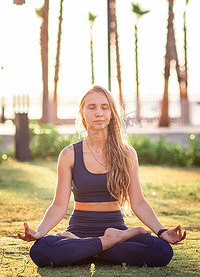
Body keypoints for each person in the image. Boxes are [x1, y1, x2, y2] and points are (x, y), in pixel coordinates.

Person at [18, 85, 186, 267]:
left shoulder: (127, 154)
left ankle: (87, 250)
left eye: (104, 107)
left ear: (112, 113)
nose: (99, 113)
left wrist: (161, 231)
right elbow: (59, 205)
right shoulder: (69, 154)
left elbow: (138, 202)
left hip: (114, 228)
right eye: (92, 107)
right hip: (79, 230)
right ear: (82, 113)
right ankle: (108, 243)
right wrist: (39, 232)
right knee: (40, 250)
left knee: (161, 250)